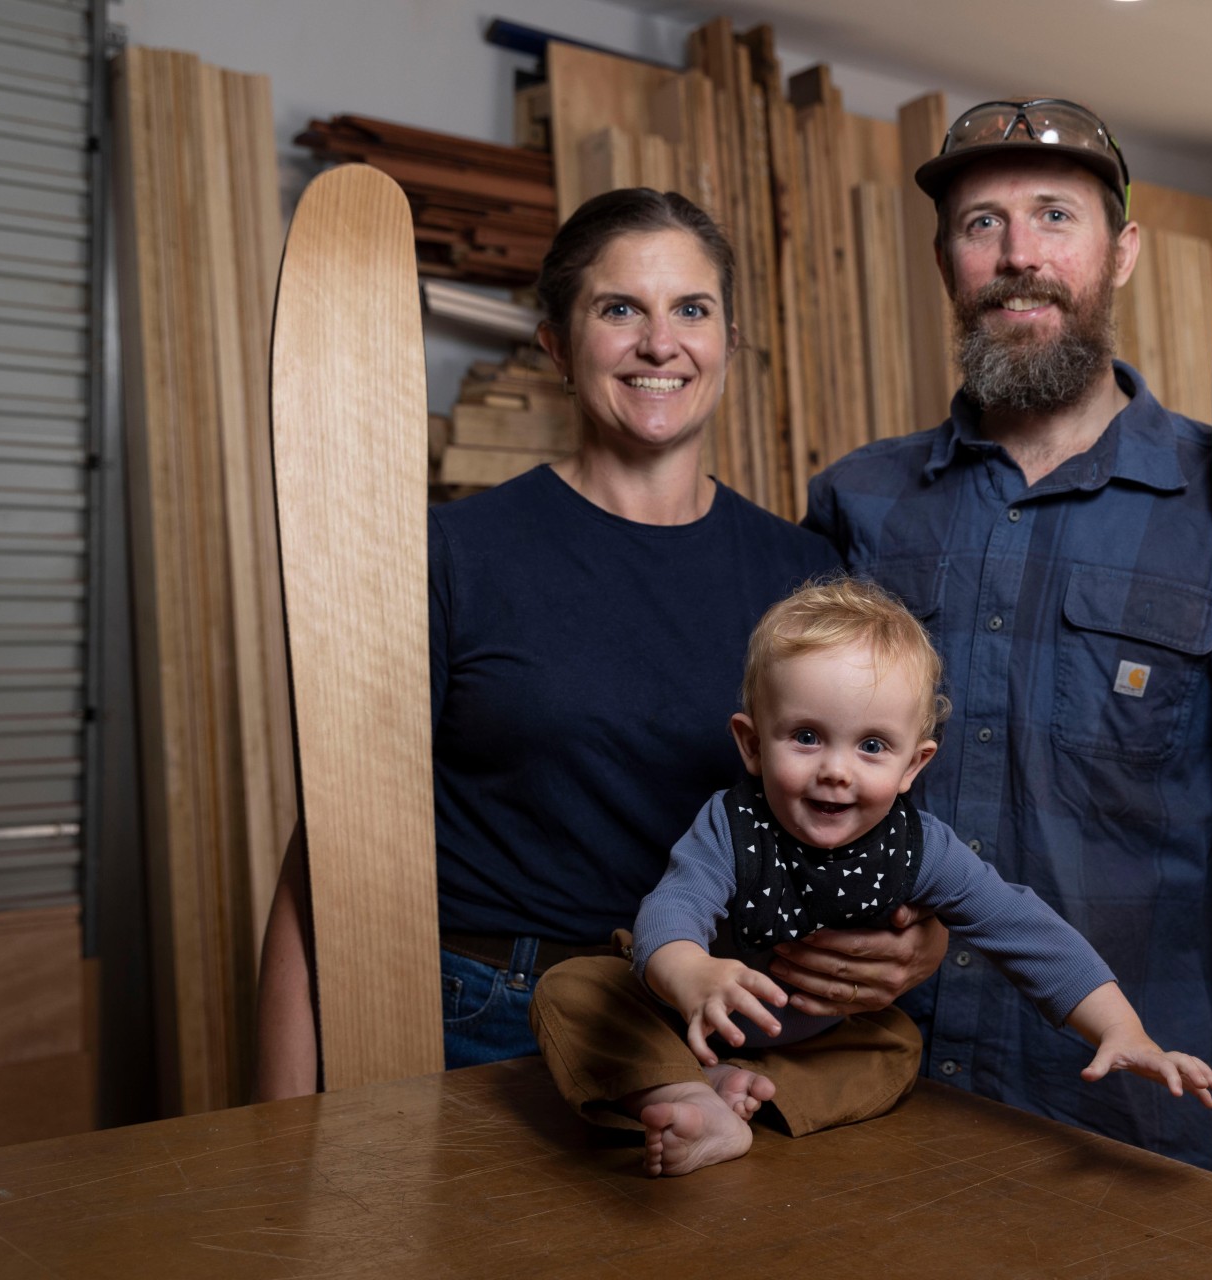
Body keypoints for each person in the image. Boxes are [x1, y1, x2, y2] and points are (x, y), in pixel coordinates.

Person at [801, 99, 1212, 1216]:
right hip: (878, 1099)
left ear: (1119, 251)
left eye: (1055, 216)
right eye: (983, 224)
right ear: (944, 262)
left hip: (1142, 1142)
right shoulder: (861, 504)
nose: (1019, 255)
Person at [254, 189, 948, 1100]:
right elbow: (330, 855)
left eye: (692, 310)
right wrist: (276, 1130)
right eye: (619, 309)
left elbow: (865, 810)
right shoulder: (453, 555)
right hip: (487, 1019)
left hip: (720, 1029)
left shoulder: (806, 577)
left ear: (729, 346)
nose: (660, 343)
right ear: (555, 344)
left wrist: (919, 934)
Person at [529, 578, 1212, 1176]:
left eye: (871, 746)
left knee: (895, 1048)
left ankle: (732, 1095)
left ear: (914, 765)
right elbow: (672, 907)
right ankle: (679, 1090)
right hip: (685, 1013)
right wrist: (692, 974)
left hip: (815, 1038)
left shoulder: (922, 849)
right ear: (750, 742)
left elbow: (1023, 930)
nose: (836, 769)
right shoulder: (732, 823)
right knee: (576, 991)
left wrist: (1121, 1029)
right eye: (806, 736)